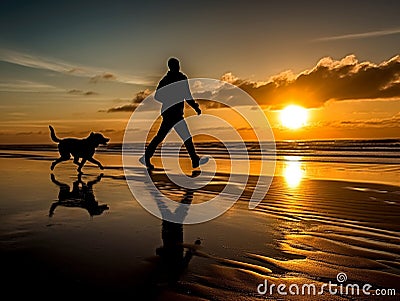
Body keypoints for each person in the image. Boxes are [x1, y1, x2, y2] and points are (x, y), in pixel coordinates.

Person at [139, 57, 208, 170]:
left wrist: (195, 107)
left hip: (174, 113)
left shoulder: (180, 78)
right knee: (185, 137)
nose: (178, 67)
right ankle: (195, 160)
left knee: (162, 136)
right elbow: (157, 96)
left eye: (178, 65)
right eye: (176, 65)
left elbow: (187, 95)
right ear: (172, 66)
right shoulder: (167, 80)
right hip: (171, 113)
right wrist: (171, 98)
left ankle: (146, 157)